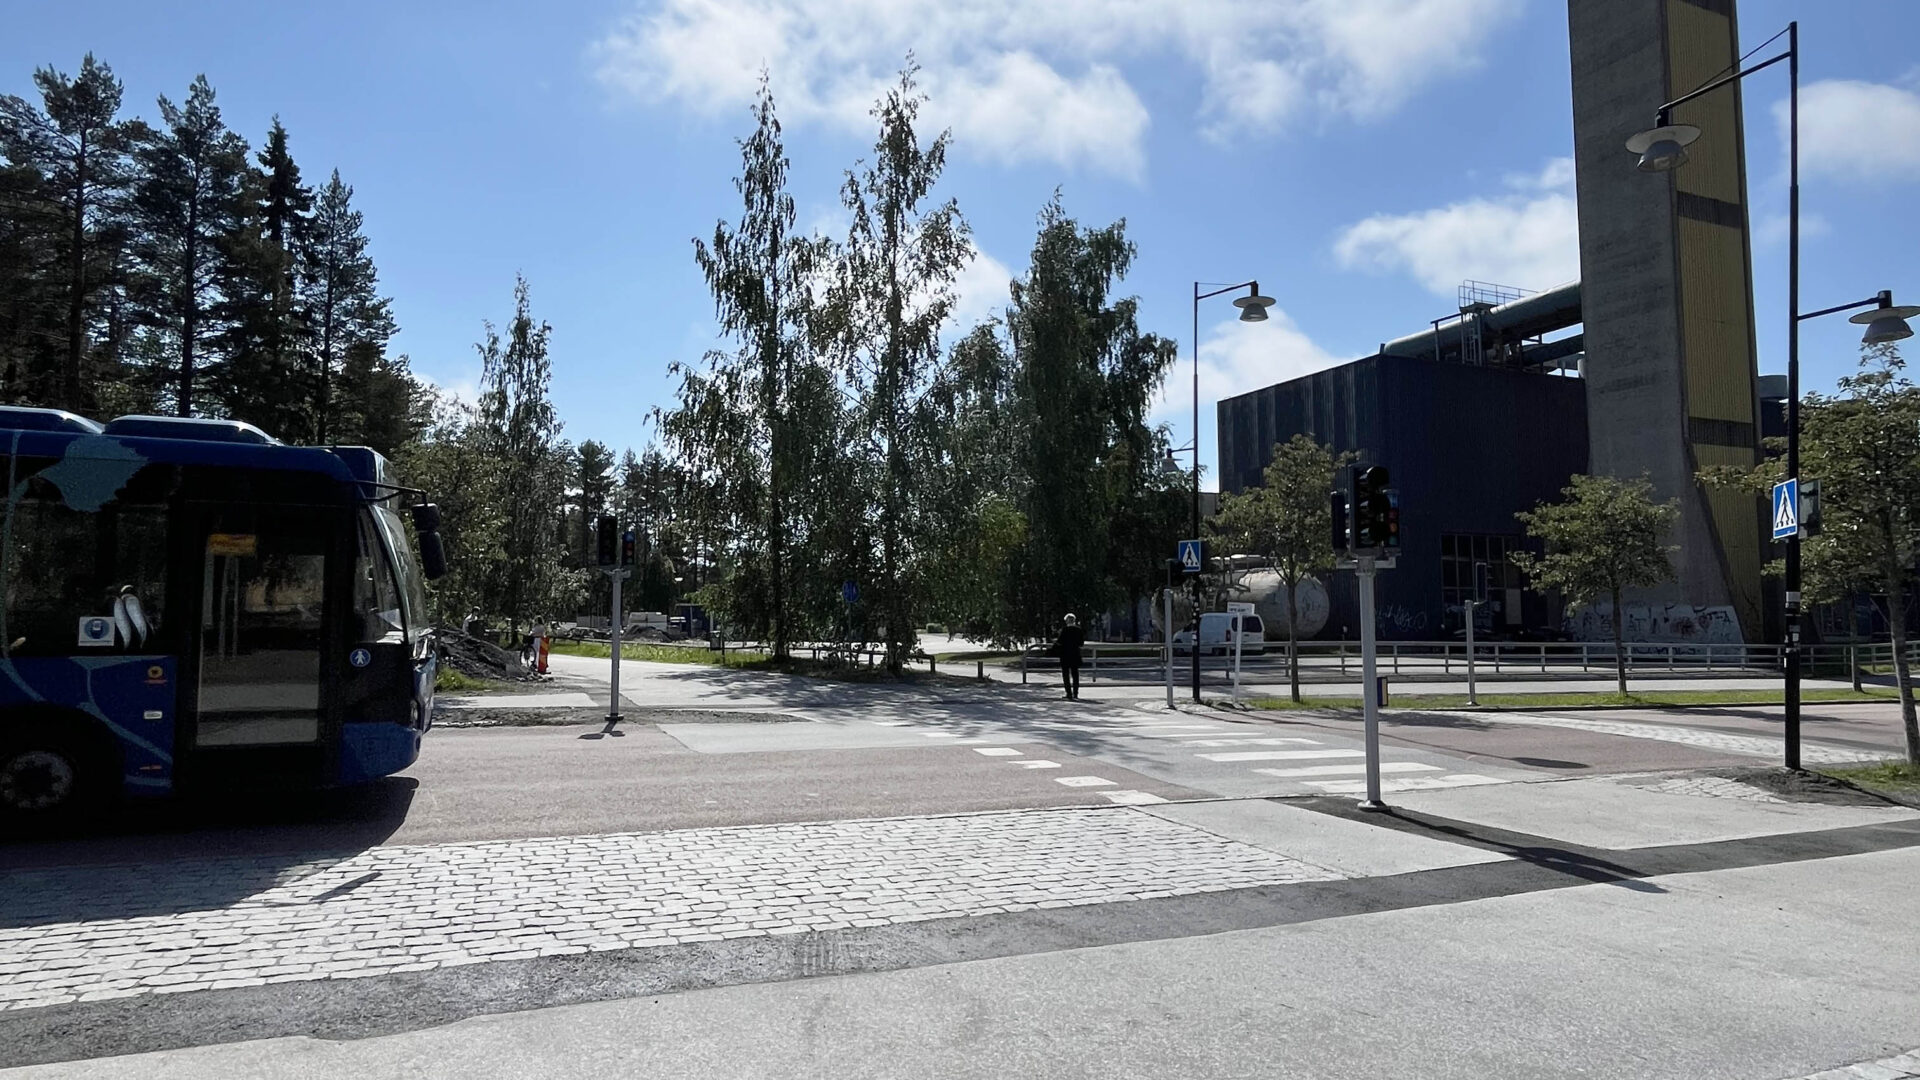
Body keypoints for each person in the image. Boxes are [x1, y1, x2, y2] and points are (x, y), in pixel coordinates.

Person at [1054, 613, 1085, 700]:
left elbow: (1059, 642)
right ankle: (1076, 693)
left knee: (1066, 675)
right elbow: (1081, 643)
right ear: (1074, 620)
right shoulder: (1079, 630)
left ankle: (1069, 693)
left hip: (1065, 654)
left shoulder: (1064, 630)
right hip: (1075, 654)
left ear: (1067, 621)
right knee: (1075, 674)